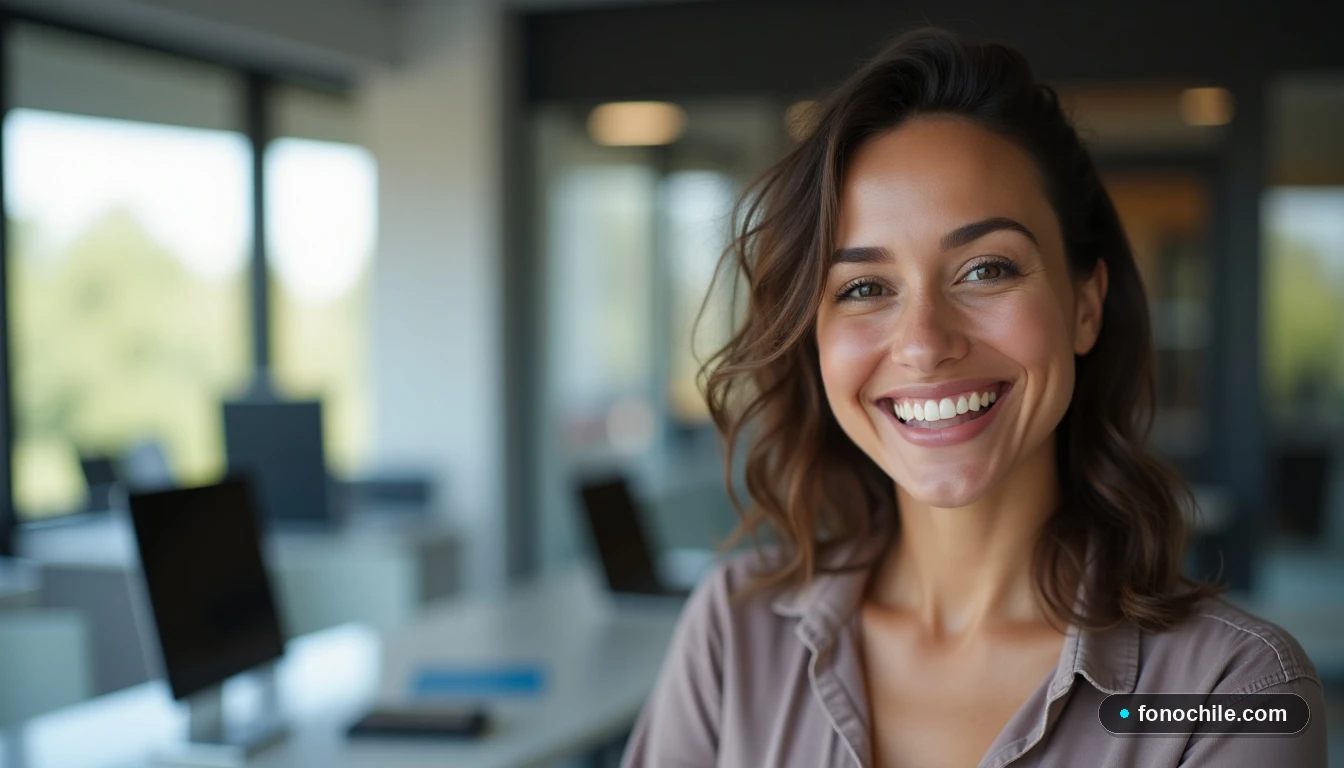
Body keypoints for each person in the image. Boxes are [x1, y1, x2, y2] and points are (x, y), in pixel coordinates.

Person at [620, 26, 1327, 768]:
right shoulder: (733, 634)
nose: (924, 344)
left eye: (986, 270)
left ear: (1085, 304)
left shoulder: (1234, 691)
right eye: (864, 288)